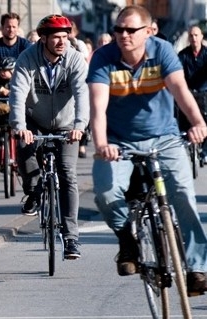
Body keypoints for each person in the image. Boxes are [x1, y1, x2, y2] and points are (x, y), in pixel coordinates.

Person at [87, 5, 207, 295]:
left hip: (163, 138)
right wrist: (101, 143)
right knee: (105, 192)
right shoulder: (104, 59)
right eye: (119, 30)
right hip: (118, 142)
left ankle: (197, 268)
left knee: (182, 194)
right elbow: (98, 108)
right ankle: (127, 241)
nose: (123, 35)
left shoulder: (163, 51)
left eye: (130, 30)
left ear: (148, 31)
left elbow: (180, 90)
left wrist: (198, 123)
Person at [9, 14, 89, 259]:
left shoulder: (75, 59)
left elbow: (82, 93)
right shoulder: (27, 59)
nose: (62, 42)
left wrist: (80, 125)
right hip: (34, 120)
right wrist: (20, 125)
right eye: (56, 37)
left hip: (67, 125)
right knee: (24, 148)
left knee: (67, 173)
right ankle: (33, 191)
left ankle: (71, 238)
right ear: (43, 38)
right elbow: (18, 93)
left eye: (65, 37)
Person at [178, 25, 207, 163]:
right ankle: (184, 142)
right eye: (191, 35)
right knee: (181, 113)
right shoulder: (183, 55)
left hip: (204, 91)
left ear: (201, 37)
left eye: (196, 35)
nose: (194, 38)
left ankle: (205, 152)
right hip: (188, 91)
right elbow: (176, 73)